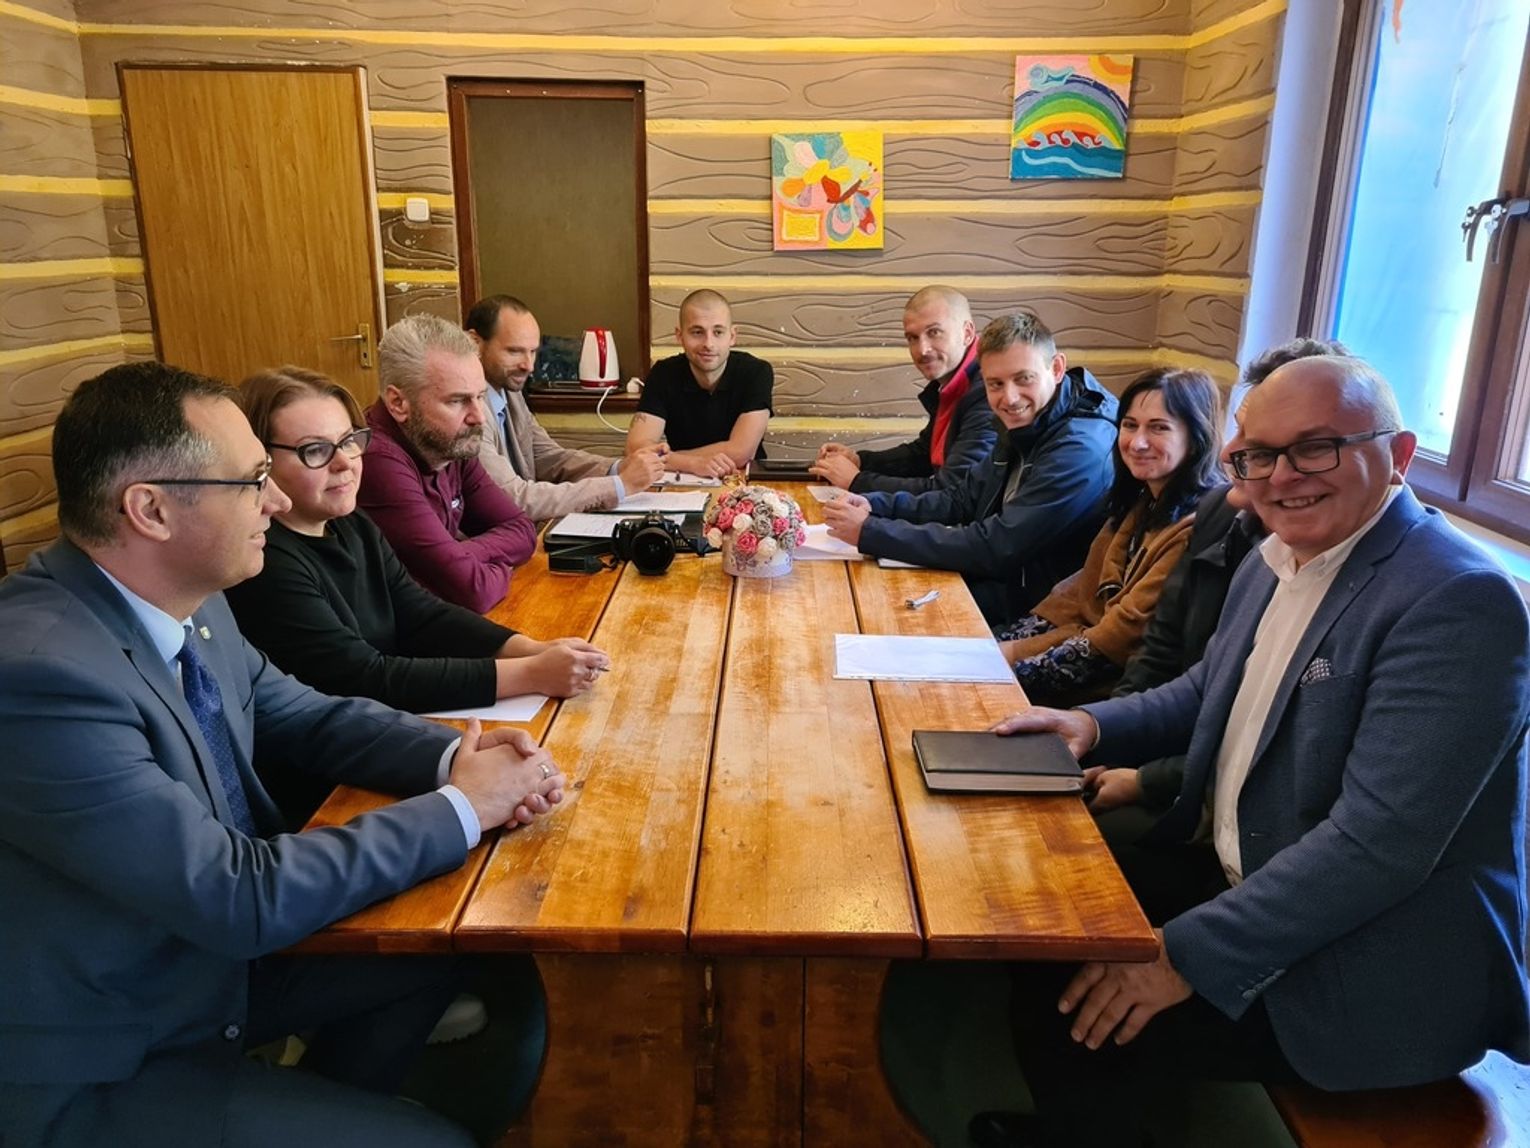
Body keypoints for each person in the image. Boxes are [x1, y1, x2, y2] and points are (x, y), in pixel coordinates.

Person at [0, 361, 569, 1148]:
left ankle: (331, 1107)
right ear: (151, 510)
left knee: (464, 958)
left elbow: (308, 716)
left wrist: (461, 757)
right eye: (251, 481)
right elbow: (234, 893)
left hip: (208, 965)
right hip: (109, 1051)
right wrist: (465, 807)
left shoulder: (191, 603)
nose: (273, 499)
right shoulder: (40, 678)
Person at [976, 355, 1530, 1148]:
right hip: (1253, 866)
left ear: (1399, 454)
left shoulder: (1458, 600)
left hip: (1373, 958)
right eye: (1259, 455)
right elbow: (1210, 688)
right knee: (1041, 921)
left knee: (1079, 1007)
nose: (1281, 477)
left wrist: (1180, 956)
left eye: (1316, 448)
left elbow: (1377, 847)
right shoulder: (1277, 555)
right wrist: (1091, 726)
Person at [223, 366, 609, 815]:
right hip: (330, 789)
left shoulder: (351, 523)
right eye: (315, 450)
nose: (345, 462)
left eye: (349, 441)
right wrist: (531, 674)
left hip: (393, 738)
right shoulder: (265, 563)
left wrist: (531, 649)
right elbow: (366, 678)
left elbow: (421, 613)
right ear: (262, 465)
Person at [1085, 337, 1348, 823]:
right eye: (1245, 433)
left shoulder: (1431, 591)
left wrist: (1145, 779)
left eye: (1297, 447)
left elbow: (1280, 752)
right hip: (1181, 756)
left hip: (1228, 804)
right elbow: (1172, 660)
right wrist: (1103, 735)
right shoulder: (1229, 521)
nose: (1232, 454)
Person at [822, 313, 1117, 625]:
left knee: (879, 614)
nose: (1009, 397)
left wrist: (871, 531)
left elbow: (997, 546)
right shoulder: (1026, 420)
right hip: (1002, 584)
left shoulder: (1081, 449)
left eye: (1024, 379)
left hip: (1041, 614)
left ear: (1056, 368)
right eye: (996, 384)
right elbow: (961, 498)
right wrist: (875, 504)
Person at [994, 367, 1223, 705]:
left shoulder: (1199, 525)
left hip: (1116, 698)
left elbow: (1116, 640)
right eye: (1130, 425)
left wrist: (1005, 664)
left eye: (1158, 427)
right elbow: (1072, 598)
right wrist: (999, 647)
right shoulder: (1141, 502)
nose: (1137, 442)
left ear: (1197, 436)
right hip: (1078, 660)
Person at [358, 313, 537, 613]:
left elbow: (522, 530)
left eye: (480, 397)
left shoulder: (450, 443)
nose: (478, 417)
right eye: (457, 401)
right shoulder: (375, 461)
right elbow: (473, 592)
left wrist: (460, 554)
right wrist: (493, 565)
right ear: (398, 403)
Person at [465, 294, 664, 521]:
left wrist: (619, 468)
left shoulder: (509, 390)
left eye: (533, 352)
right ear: (475, 343)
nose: (528, 366)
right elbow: (512, 499)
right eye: (514, 351)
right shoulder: (469, 412)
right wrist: (619, 486)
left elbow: (550, 458)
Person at [809, 285, 996, 494]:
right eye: (912, 338)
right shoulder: (952, 382)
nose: (922, 349)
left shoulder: (988, 392)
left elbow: (951, 493)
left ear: (967, 333)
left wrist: (857, 481)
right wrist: (860, 461)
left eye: (934, 332)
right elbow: (924, 455)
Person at [626, 289, 773, 477]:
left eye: (718, 332)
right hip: (681, 481)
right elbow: (636, 449)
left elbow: (741, 453)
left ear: (732, 336)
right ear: (680, 336)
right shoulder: (663, 373)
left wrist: (672, 459)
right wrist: (693, 464)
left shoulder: (755, 372)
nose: (708, 344)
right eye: (697, 332)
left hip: (744, 481)